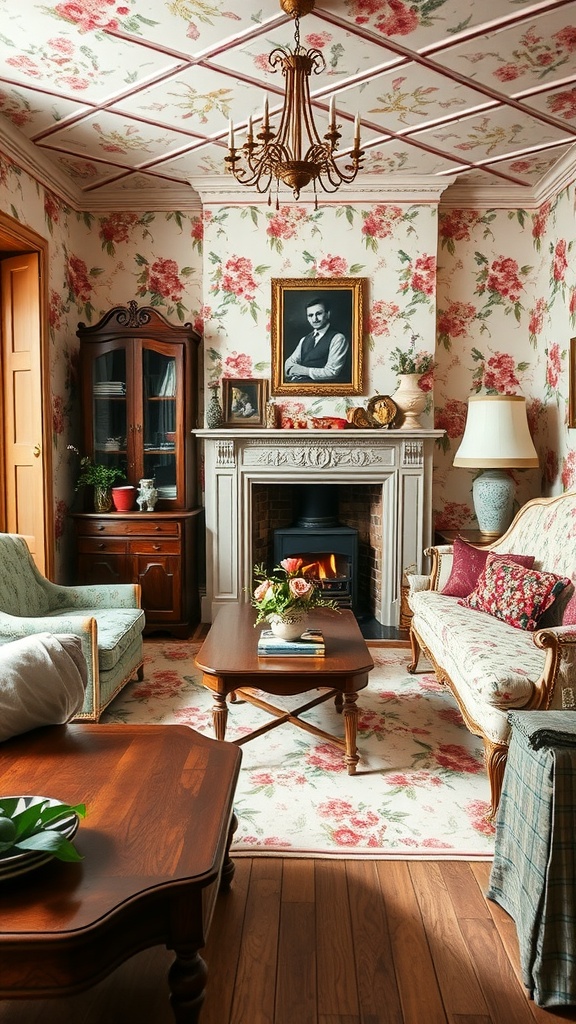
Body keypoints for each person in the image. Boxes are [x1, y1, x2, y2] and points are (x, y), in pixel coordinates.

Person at [284, 296, 351, 383]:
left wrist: (302, 370)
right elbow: (288, 364)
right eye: (310, 315)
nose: (314, 319)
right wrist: (292, 370)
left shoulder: (338, 338)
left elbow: (331, 372)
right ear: (307, 318)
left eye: (318, 314)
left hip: (323, 388)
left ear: (327, 314)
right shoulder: (304, 339)